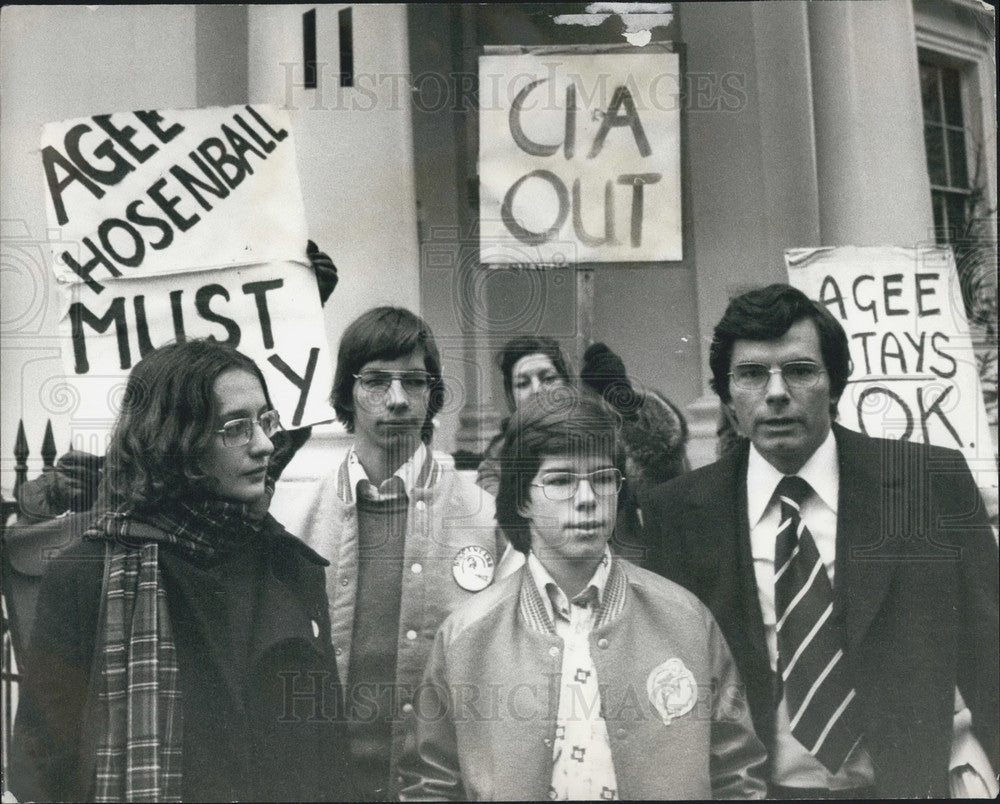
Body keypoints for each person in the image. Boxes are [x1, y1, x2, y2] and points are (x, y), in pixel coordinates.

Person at [641, 283, 1000, 798]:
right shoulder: (679, 513)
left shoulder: (928, 484)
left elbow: (991, 649)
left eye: (800, 370)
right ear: (726, 397)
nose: (777, 392)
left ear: (835, 386)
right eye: (750, 375)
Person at [10, 340, 349, 802]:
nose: (266, 444)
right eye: (236, 427)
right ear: (176, 440)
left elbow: (329, 760)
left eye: (266, 421)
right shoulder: (86, 576)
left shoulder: (290, 566)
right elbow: (38, 771)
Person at [399, 389, 767, 800]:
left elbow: (738, 774)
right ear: (522, 498)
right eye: (560, 481)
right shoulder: (466, 638)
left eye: (604, 479)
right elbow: (430, 784)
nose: (588, 500)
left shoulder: (686, 620)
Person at [291, 306, 506, 800]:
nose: (396, 400)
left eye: (413, 382)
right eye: (375, 382)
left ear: (433, 395)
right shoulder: (299, 521)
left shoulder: (485, 521)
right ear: (348, 392)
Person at [476, 335, 572, 494]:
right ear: (511, 396)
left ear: (567, 384)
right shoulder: (498, 458)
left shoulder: (598, 440)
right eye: (522, 383)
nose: (536, 390)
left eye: (548, 378)